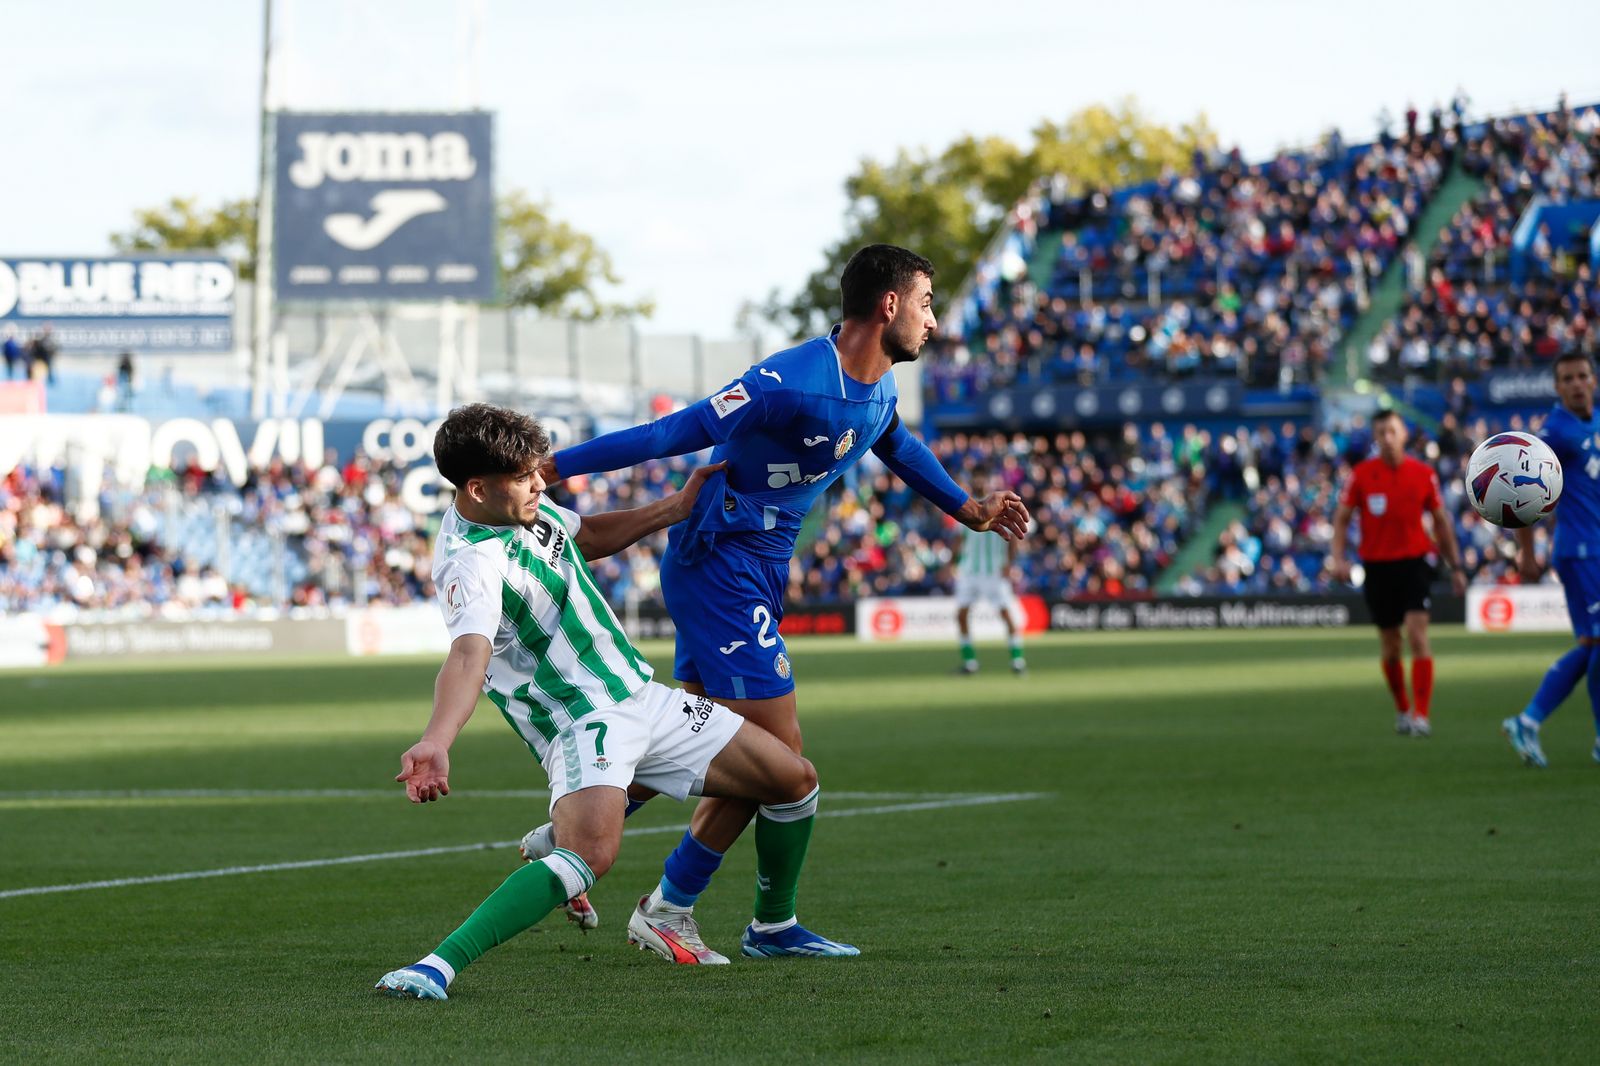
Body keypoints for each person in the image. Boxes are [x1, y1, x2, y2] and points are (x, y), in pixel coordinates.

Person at [524, 245, 1031, 961]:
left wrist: (966, 508)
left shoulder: (879, 388)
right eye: (925, 304)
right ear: (888, 305)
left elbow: (897, 443)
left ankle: (573, 825)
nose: (934, 322)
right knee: (775, 761)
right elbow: (677, 431)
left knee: (700, 742)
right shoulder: (788, 380)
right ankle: (684, 908)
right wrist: (554, 467)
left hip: (757, 569)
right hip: (720, 565)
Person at [376, 403, 828, 1000]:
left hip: (642, 695)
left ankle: (773, 927)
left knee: (793, 780)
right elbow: (467, 656)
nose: (541, 483)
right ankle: (435, 966)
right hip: (582, 722)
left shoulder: (527, 509)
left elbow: (585, 535)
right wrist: (436, 739)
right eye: (525, 477)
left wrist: (673, 508)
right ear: (478, 488)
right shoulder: (472, 564)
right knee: (592, 855)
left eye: (539, 470)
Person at [1329, 408, 1466, 736]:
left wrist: (1456, 566)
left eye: (1392, 431)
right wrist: (1338, 558)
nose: (1387, 438)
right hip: (1376, 566)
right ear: (1375, 438)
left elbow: (1441, 523)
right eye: (1381, 433)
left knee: (1418, 635)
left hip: (1415, 563)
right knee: (1391, 645)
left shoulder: (1422, 474)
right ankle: (1403, 709)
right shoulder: (1361, 475)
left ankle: (1422, 715)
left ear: (1404, 434)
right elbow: (1341, 519)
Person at [1503, 353, 1600, 767]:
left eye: (1582, 375)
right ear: (1557, 388)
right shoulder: (1554, 434)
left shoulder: (1593, 422)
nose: (1577, 383)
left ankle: (1529, 720)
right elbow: (1519, 494)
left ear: (1593, 380)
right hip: (1580, 551)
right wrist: (1526, 552)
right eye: (1568, 379)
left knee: (1592, 644)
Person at [954, 470, 1027, 676]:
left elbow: (1013, 538)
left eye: (981, 477)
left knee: (1005, 613)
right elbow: (959, 539)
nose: (978, 481)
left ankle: (1017, 660)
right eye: (975, 477)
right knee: (961, 614)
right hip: (969, 571)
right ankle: (970, 663)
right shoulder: (965, 506)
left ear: (987, 480)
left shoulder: (999, 504)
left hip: (994, 571)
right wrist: (952, 562)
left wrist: (1009, 564)